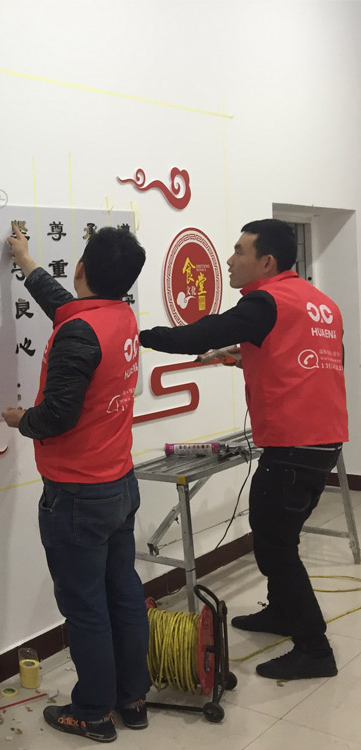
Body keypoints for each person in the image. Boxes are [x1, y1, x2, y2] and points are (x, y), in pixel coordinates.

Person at [140, 218, 348, 680]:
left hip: (292, 445)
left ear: (266, 261)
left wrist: (138, 336)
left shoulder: (264, 301)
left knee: (276, 546)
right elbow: (311, 361)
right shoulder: (319, 303)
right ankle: (281, 612)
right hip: (321, 440)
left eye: (238, 251)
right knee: (279, 537)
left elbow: (201, 334)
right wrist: (243, 357)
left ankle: (314, 649)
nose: (230, 260)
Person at [2, 223, 149, 743]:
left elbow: (59, 414)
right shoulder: (119, 316)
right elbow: (66, 306)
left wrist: (22, 420)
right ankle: (132, 698)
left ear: (82, 268)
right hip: (119, 483)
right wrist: (26, 262)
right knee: (123, 593)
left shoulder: (80, 333)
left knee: (86, 607)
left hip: (78, 494)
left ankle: (91, 712)